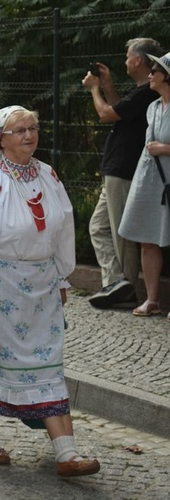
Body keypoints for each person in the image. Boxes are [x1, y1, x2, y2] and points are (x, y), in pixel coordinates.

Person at [0, 105, 100, 477]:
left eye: (33, 128)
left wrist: (61, 277)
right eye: (19, 131)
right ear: (0, 139)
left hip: (41, 287)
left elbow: (62, 225)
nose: (29, 135)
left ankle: (67, 453)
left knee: (48, 365)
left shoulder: (47, 174)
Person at [82, 38, 162, 309]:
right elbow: (119, 112)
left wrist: (94, 90)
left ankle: (123, 286)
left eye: (128, 56)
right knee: (98, 227)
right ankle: (117, 282)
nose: (126, 61)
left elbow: (106, 114)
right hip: (117, 167)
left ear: (139, 59)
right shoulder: (142, 91)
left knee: (120, 233)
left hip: (125, 168)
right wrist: (107, 85)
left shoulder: (147, 93)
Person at [119, 52, 170, 318]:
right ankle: (152, 300)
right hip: (149, 181)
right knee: (148, 241)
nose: (150, 74)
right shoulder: (152, 107)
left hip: (168, 182)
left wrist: (166, 148)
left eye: (156, 70)